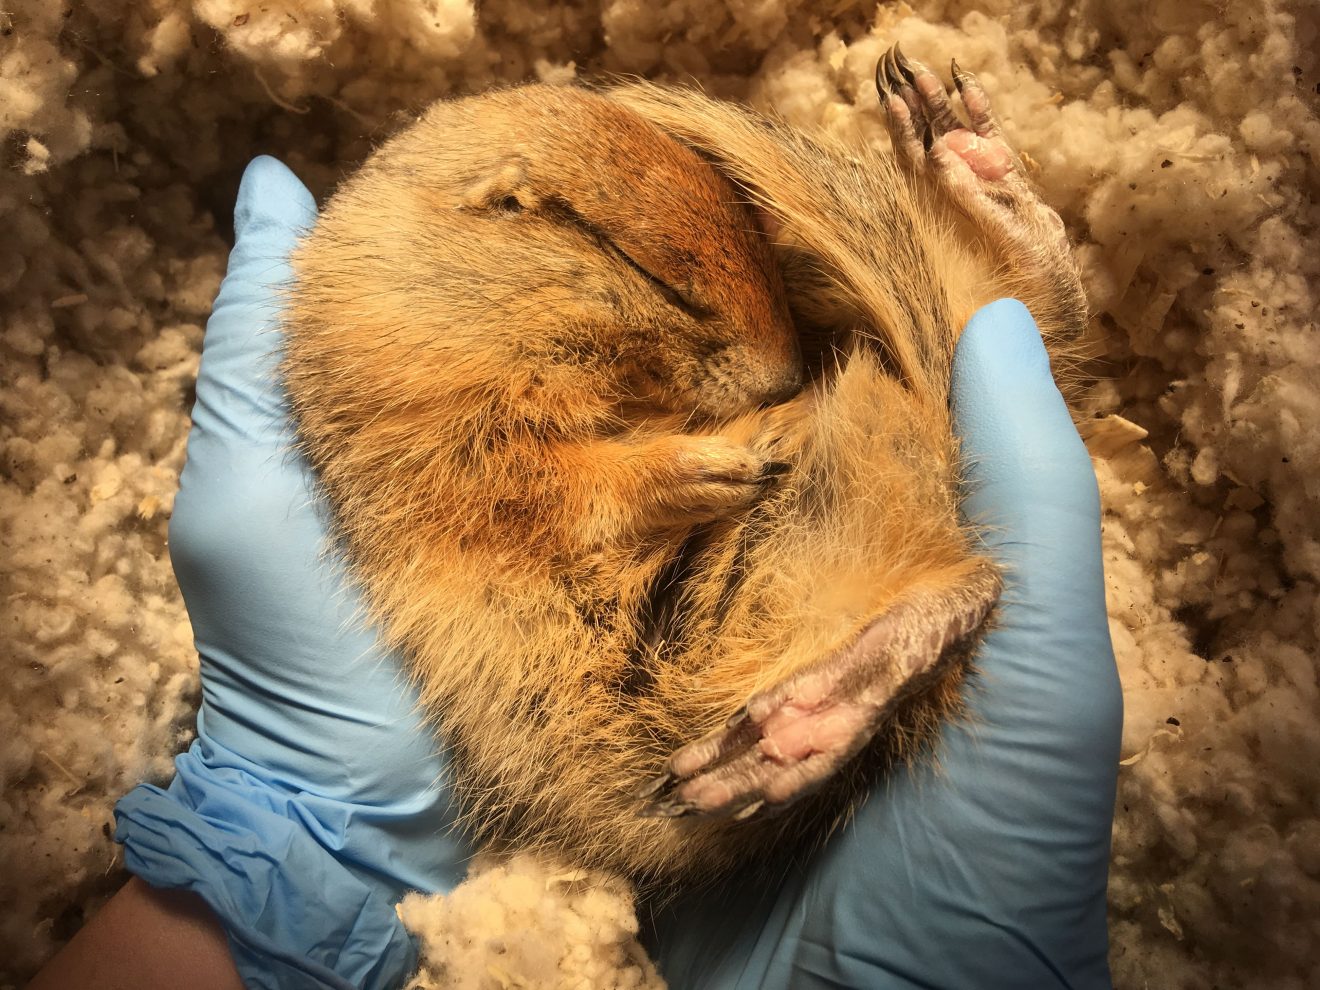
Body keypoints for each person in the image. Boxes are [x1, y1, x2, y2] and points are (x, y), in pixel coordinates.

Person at [28, 157, 1121, 990]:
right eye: (674, 292)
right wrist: (290, 839)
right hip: (628, 691)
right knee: (921, 513)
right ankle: (893, 631)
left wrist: (277, 853)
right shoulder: (415, 313)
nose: (752, 356)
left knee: (944, 418)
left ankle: (915, 592)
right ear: (506, 212)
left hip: (753, 615)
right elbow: (496, 504)